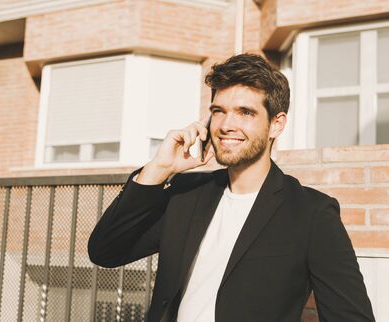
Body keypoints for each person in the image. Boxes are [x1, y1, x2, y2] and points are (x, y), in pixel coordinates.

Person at [88, 53, 375, 322]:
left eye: (245, 113)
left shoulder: (312, 213)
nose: (226, 124)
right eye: (219, 111)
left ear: (276, 124)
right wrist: (158, 169)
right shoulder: (185, 193)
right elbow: (106, 251)